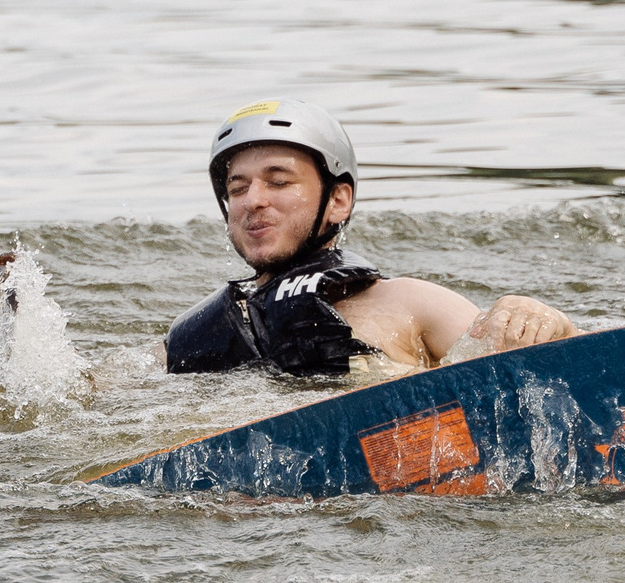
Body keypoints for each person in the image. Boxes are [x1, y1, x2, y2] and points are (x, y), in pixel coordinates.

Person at [166, 98, 576, 376]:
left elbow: (539, 370)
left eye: (278, 181)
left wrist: (547, 323)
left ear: (338, 200)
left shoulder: (411, 304)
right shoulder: (192, 338)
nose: (253, 200)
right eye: (237, 189)